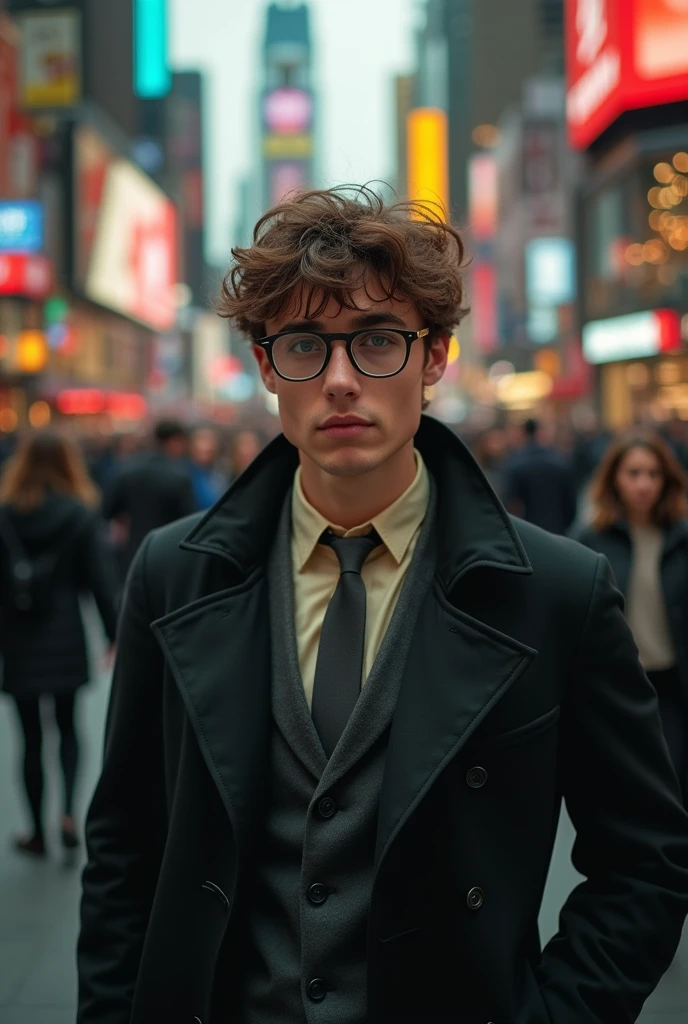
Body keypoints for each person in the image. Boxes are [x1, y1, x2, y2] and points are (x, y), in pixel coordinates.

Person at [77, 186, 688, 1024]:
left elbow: (646, 858)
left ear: (435, 357)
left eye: (376, 342)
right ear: (264, 366)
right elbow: (124, 847)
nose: (337, 381)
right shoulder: (174, 574)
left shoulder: (555, 592)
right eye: (302, 345)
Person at [0, 431, 119, 857]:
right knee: (68, 729)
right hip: (66, 632)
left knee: (30, 737)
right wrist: (113, 634)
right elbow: (101, 583)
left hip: (18, 637)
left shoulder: (6, 513)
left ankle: (35, 830)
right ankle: (69, 813)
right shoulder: (79, 514)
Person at [577, 431, 688, 799]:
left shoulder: (681, 537)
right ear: (614, 479)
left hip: (673, 683)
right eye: (634, 473)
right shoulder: (591, 541)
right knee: (625, 791)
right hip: (618, 685)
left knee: (674, 781)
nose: (644, 484)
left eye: (654, 474)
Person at [103, 418, 196, 575]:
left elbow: (108, 510)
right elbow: (188, 521)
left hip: (132, 553)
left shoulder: (128, 470)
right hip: (168, 555)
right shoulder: (179, 477)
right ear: (175, 441)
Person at [503, 417, 578, 534]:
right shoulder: (560, 462)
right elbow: (571, 503)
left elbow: (512, 504)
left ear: (523, 433)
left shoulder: (515, 464)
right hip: (557, 530)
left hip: (527, 533)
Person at [189, 426, 229, 510]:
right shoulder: (183, 473)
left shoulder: (222, 473)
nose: (206, 447)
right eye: (202, 440)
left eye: (210, 441)